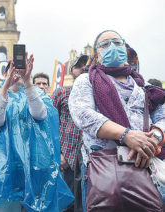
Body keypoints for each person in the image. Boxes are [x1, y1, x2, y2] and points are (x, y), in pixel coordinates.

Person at [68, 30, 165, 211]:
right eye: (105, 44)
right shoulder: (86, 80)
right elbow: (83, 113)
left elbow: (162, 117)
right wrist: (126, 135)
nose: (112, 47)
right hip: (104, 171)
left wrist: (152, 139)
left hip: (145, 164)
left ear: (126, 48)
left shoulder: (144, 86)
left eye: (117, 42)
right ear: (96, 55)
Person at [0, 53, 74, 211]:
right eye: (13, 70)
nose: (18, 73)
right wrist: (6, 85)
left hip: (35, 165)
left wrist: (29, 81)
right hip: (5, 168)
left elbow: (41, 115)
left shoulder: (35, 92)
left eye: (21, 70)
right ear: (5, 73)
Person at [51, 54, 88, 212]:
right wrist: (58, 154)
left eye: (86, 65)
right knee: (66, 205)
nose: (84, 68)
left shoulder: (96, 93)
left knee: (86, 204)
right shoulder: (62, 93)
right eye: (79, 65)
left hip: (90, 159)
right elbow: (49, 125)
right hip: (68, 158)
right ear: (72, 71)